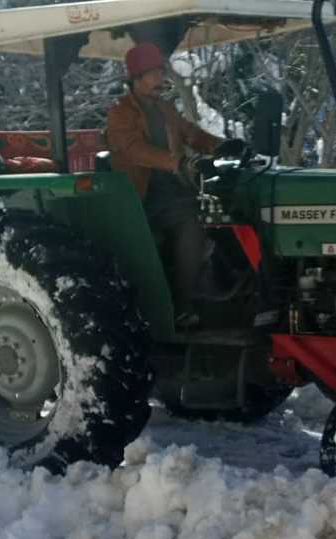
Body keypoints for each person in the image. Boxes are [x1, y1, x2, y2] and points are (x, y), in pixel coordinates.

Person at [107, 43, 229, 329]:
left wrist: (224, 147)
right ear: (137, 77)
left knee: (226, 212)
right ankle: (181, 305)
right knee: (192, 221)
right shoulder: (120, 112)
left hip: (172, 192)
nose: (161, 78)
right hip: (140, 198)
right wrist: (174, 162)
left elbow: (191, 134)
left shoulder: (163, 108)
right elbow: (132, 149)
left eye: (161, 71)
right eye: (155, 73)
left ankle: (227, 291)